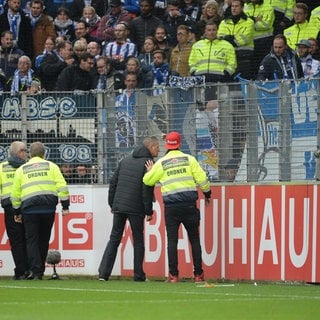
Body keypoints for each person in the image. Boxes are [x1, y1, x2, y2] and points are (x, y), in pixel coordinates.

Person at [143, 131, 211, 283]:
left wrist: (149, 171)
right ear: (180, 143)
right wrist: (207, 194)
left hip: (171, 208)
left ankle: (174, 275)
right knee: (194, 239)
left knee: (172, 240)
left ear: (166, 145)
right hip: (189, 205)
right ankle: (198, 275)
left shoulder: (161, 163)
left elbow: (147, 181)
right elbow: (203, 180)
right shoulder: (190, 160)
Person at [98, 136, 160, 281]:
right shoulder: (149, 163)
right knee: (138, 240)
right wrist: (148, 211)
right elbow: (147, 188)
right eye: (157, 147)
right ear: (151, 146)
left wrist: (112, 203)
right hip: (136, 207)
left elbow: (113, 183)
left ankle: (103, 274)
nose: (158, 149)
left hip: (119, 206)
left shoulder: (125, 160)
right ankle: (138, 275)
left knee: (114, 238)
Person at [10, 141, 70, 280]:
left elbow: (15, 194)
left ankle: (35, 271)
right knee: (44, 239)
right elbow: (62, 186)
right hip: (48, 208)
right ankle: (41, 271)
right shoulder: (52, 166)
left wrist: (17, 212)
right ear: (44, 154)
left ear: (30, 154)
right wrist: (65, 206)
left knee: (32, 240)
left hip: (29, 209)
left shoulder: (21, 169)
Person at [0, 141, 28, 280]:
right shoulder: (27, 167)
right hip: (25, 206)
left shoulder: (2, 167)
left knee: (16, 241)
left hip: (10, 207)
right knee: (28, 238)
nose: (26, 153)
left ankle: (21, 271)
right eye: (24, 151)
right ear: (19, 152)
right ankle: (29, 270)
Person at [218, 0, 254, 80]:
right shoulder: (224, 22)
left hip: (243, 56)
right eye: (232, 6)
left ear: (242, 7)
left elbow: (244, 39)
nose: (234, 8)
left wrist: (228, 38)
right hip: (228, 56)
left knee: (243, 82)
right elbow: (220, 38)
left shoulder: (249, 22)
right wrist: (233, 38)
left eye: (236, 6)